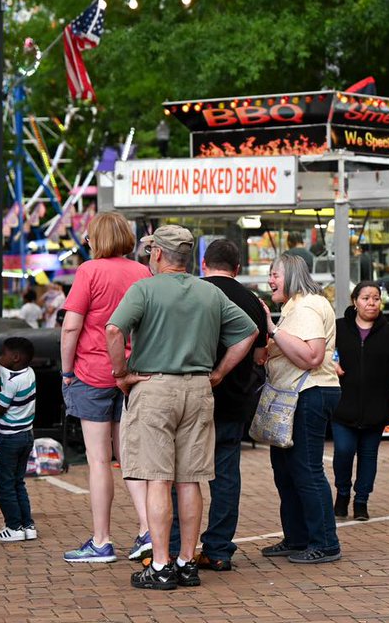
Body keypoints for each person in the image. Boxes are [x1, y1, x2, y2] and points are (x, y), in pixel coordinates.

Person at [107, 225, 257, 591]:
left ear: (157, 253)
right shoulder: (208, 291)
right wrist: (219, 372)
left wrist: (121, 374)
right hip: (199, 389)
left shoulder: (144, 288)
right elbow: (249, 331)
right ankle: (188, 562)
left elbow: (114, 331)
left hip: (154, 386)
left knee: (159, 478)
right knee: (191, 479)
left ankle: (161, 565)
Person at [165, 239, 269, 572]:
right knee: (225, 477)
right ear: (238, 268)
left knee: (182, 475)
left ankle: (177, 546)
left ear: (203, 264)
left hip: (192, 395)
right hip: (234, 400)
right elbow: (259, 353)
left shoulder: (193, 292)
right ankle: (219, 548)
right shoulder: (251, 301)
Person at [60, 211, 153, 564]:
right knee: (129, 457)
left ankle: (101, 540)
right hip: (132, 374)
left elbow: (71, 328)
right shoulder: (142, 272)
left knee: (99, 460)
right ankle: (147, 529)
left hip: (93, 372)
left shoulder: (89, 271)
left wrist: (67, 372)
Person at [259, 253, 343, 565]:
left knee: (306, 470)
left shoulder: (307, 305)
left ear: (292, 275)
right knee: (286, 470)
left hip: (309, 394)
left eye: (275, 274)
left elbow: (312, 356)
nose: (270, 280)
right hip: (296, 396)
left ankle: (325, 542)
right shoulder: (295, 307)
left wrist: (271, 328)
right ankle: (297, 537)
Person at [332, 280, 389, 522]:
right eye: (366, 297)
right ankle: (343, 493)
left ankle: (361, 501)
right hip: (342, 406)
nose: (371, 302)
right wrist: (330, 363)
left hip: (376, 407)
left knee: (368, 456)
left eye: (376, 298)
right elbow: (320, 352)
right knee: (344, 452)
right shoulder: (338, 328)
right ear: (355, 302)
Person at [0, 336, 37, 543]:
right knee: (18, 482)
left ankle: (13, 527)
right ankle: (28, 525)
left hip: (9, 438)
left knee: (6, 485)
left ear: (15, 357)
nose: (0, 356)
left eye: (4, 353)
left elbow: (0, 408)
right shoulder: (29, 373)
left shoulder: (11, 382)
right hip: (27, 435)